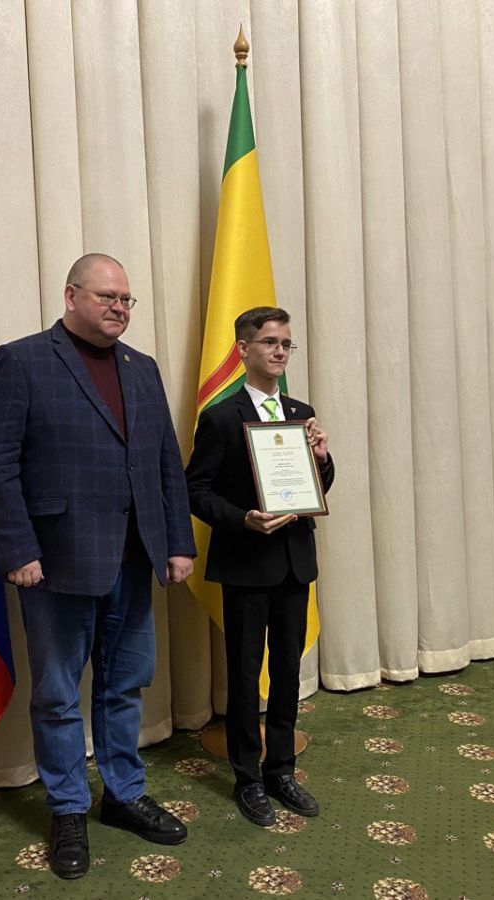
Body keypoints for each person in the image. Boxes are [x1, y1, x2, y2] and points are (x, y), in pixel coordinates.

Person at [0, 253, 196, 880]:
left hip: (134, 559)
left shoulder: (143, 369)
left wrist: (177, 542)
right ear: (71, 296)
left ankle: (123, 794)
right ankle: (68, 808)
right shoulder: (23, 360)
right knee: (57, 696)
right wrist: (18, 549)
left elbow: (165, 463)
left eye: (126, 300)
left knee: (124, 685)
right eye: (106, 297)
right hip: (56, 564)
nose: (119, 308)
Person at [185, 306, 333, 827]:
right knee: (247, 675)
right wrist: (242, 519)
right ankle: (247, 777)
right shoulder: (221, 417)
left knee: (289, 671)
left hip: (294, 561)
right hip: (247, 563)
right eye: (270, 342)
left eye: (287, 343)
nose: (280, 351)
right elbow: (196, 491)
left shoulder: (300, 411)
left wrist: (321, 457)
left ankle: (282, 769)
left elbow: (318, 487)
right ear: (243, 349)